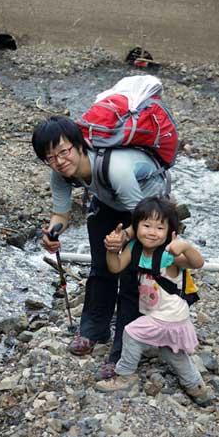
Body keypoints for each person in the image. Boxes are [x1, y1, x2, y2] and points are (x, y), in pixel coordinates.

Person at [31, 116, 170, 380]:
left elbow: (142, 218)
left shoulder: (115, 168)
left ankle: (123, 352)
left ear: (79, 145)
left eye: (64, 151)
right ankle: (95, 330)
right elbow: (60, 215)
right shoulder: (60, 174)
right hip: (110, 201)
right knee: (101, 268)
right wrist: (52, 233)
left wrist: (124, 236)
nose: (59, 161)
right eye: (50, 157)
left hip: (147, 207)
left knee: (130, 277)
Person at [95, 196, 211, 406]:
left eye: (159, 227)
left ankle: (125, 375)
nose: (151, 231)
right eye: (146, 225)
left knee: (131, 332)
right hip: (165, 317)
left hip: (169, 317)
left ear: (169, 232)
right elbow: (116, 266)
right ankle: (197, 388)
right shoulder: (134, 248)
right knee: (172, 353)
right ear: (136, 225)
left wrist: (184, 247)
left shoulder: (169, 254)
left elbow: (198, 263)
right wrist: (112, 251)